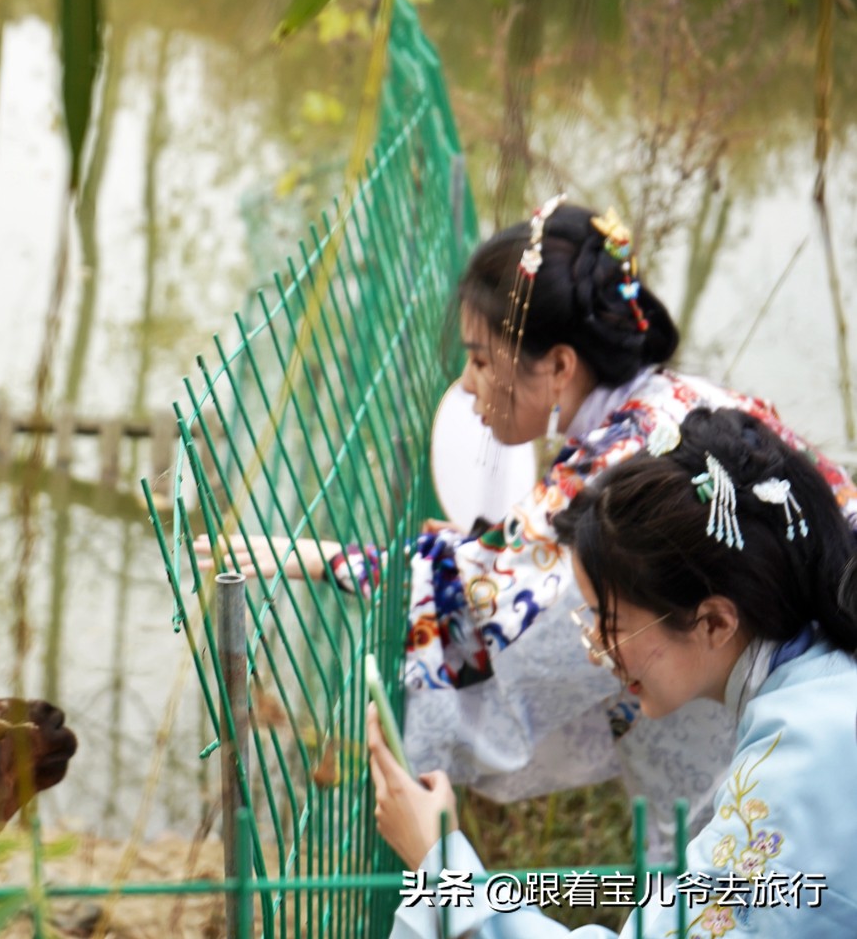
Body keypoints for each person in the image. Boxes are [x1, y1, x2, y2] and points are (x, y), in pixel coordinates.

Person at [196, 196, 857, 851]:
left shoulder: (621, 482)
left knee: (707, 874)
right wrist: (335, 560)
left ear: (560, 366)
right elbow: (514, 565)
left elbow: (507, 615)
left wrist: (399, 736)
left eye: (482, 360)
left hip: (789, 765)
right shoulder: (662, 410)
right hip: (794, 697)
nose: (465, 384)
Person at [370, 406, 857, 937]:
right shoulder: (820, 682)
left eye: (612, 622)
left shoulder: (804, 765)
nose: (597, 649)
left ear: (714, 622)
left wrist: (441, 869)